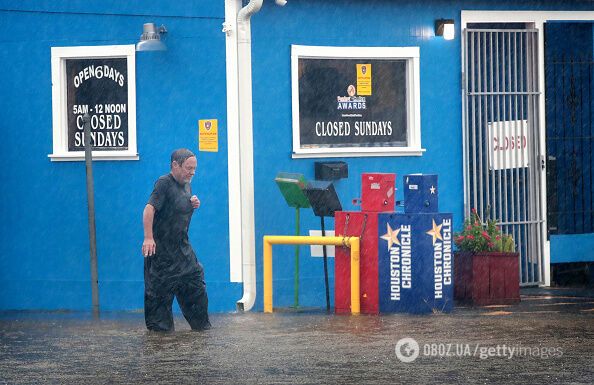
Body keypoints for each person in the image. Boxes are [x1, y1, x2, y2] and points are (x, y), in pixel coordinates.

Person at [142, 148, 211, 332]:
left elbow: (177, 208)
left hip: (182, 252)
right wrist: (148, 238)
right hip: (161, 257)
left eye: (194, 168)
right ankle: (160, 347)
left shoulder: (187, 184)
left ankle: (201, 330)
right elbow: (149, 209)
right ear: (175, 165)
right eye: (189, 168)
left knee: (196, 289)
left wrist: (193, 203)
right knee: (159, 309)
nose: (192, 172)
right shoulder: (164, 183)